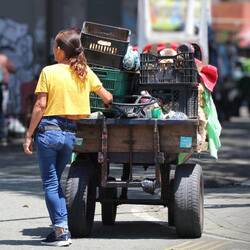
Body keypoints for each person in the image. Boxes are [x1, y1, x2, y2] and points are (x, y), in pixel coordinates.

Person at [23, 28, 113, 247]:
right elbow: (108, 97)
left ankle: (62, 233)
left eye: (56, 46)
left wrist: (28, 135)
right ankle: (60, 230)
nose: (54, 50)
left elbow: (40, 105)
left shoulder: (49, 72)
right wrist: (104, 105)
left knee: (51, 184)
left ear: (62, 50)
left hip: (49, 131)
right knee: (55, 183)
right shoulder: (85, 72)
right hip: (71, 136)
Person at [0, 52, 16, 146]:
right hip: (2, 87)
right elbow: (13, 69)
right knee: (2, 111)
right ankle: (3, 137)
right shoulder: (3, 58)